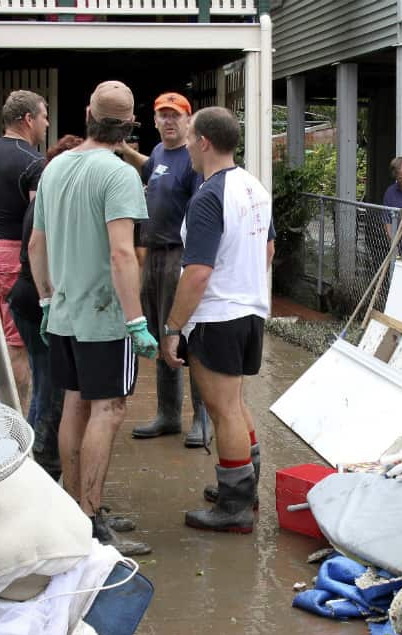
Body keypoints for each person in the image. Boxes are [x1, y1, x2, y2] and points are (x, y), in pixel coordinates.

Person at [28, 80, 156, 556]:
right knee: (110, 409)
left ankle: (73, 509)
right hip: (105, 317)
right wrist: (136, 320)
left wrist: (45, 301)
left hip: (63, 313)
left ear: (87, 113)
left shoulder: (56, 166)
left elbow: (36, 245)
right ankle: (90, 519)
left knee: (75, 403)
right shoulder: (119, 173)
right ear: (128, 127)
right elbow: (124, 253)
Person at [159, 106, 274, 534]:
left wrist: (174, 327)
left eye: (190, 138)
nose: (186, 145)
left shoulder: (208, 196)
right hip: (249, 311)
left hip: (217, 315)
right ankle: (242, 482)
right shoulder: (254, 187)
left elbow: (199, 272)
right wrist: (245, 283)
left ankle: (234, 507)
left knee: (222, 409)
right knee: (235, 404)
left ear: (204, 141)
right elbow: (268, 250)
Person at [118, 91, 212, 448]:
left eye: (176, 115)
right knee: (158, 335)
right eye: (163, 115)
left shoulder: (193, 160)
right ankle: (168, 414)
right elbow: (150, 167)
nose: (169, 121)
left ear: (188, 121)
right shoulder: (158, 153)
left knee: (185, 334)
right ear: (154, 121)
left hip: (179, 254)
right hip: (153, 254)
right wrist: (127, 151)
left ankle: (202, 417)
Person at [7, 134, 83, 483]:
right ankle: (42, 466)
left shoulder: (44, 199)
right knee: (50, 386)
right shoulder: (54, 201)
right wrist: (52, 300)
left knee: (42, 381)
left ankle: (32, 454)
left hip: (26, 296)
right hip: (36, 299)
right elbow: (40, 251)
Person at [0, 90, 50, 417]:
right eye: (44, 116)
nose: (46, 124)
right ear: (28, 119)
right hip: (15, 258)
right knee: (18, 346)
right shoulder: (32, 161)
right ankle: (18, 419)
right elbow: (36, 222)